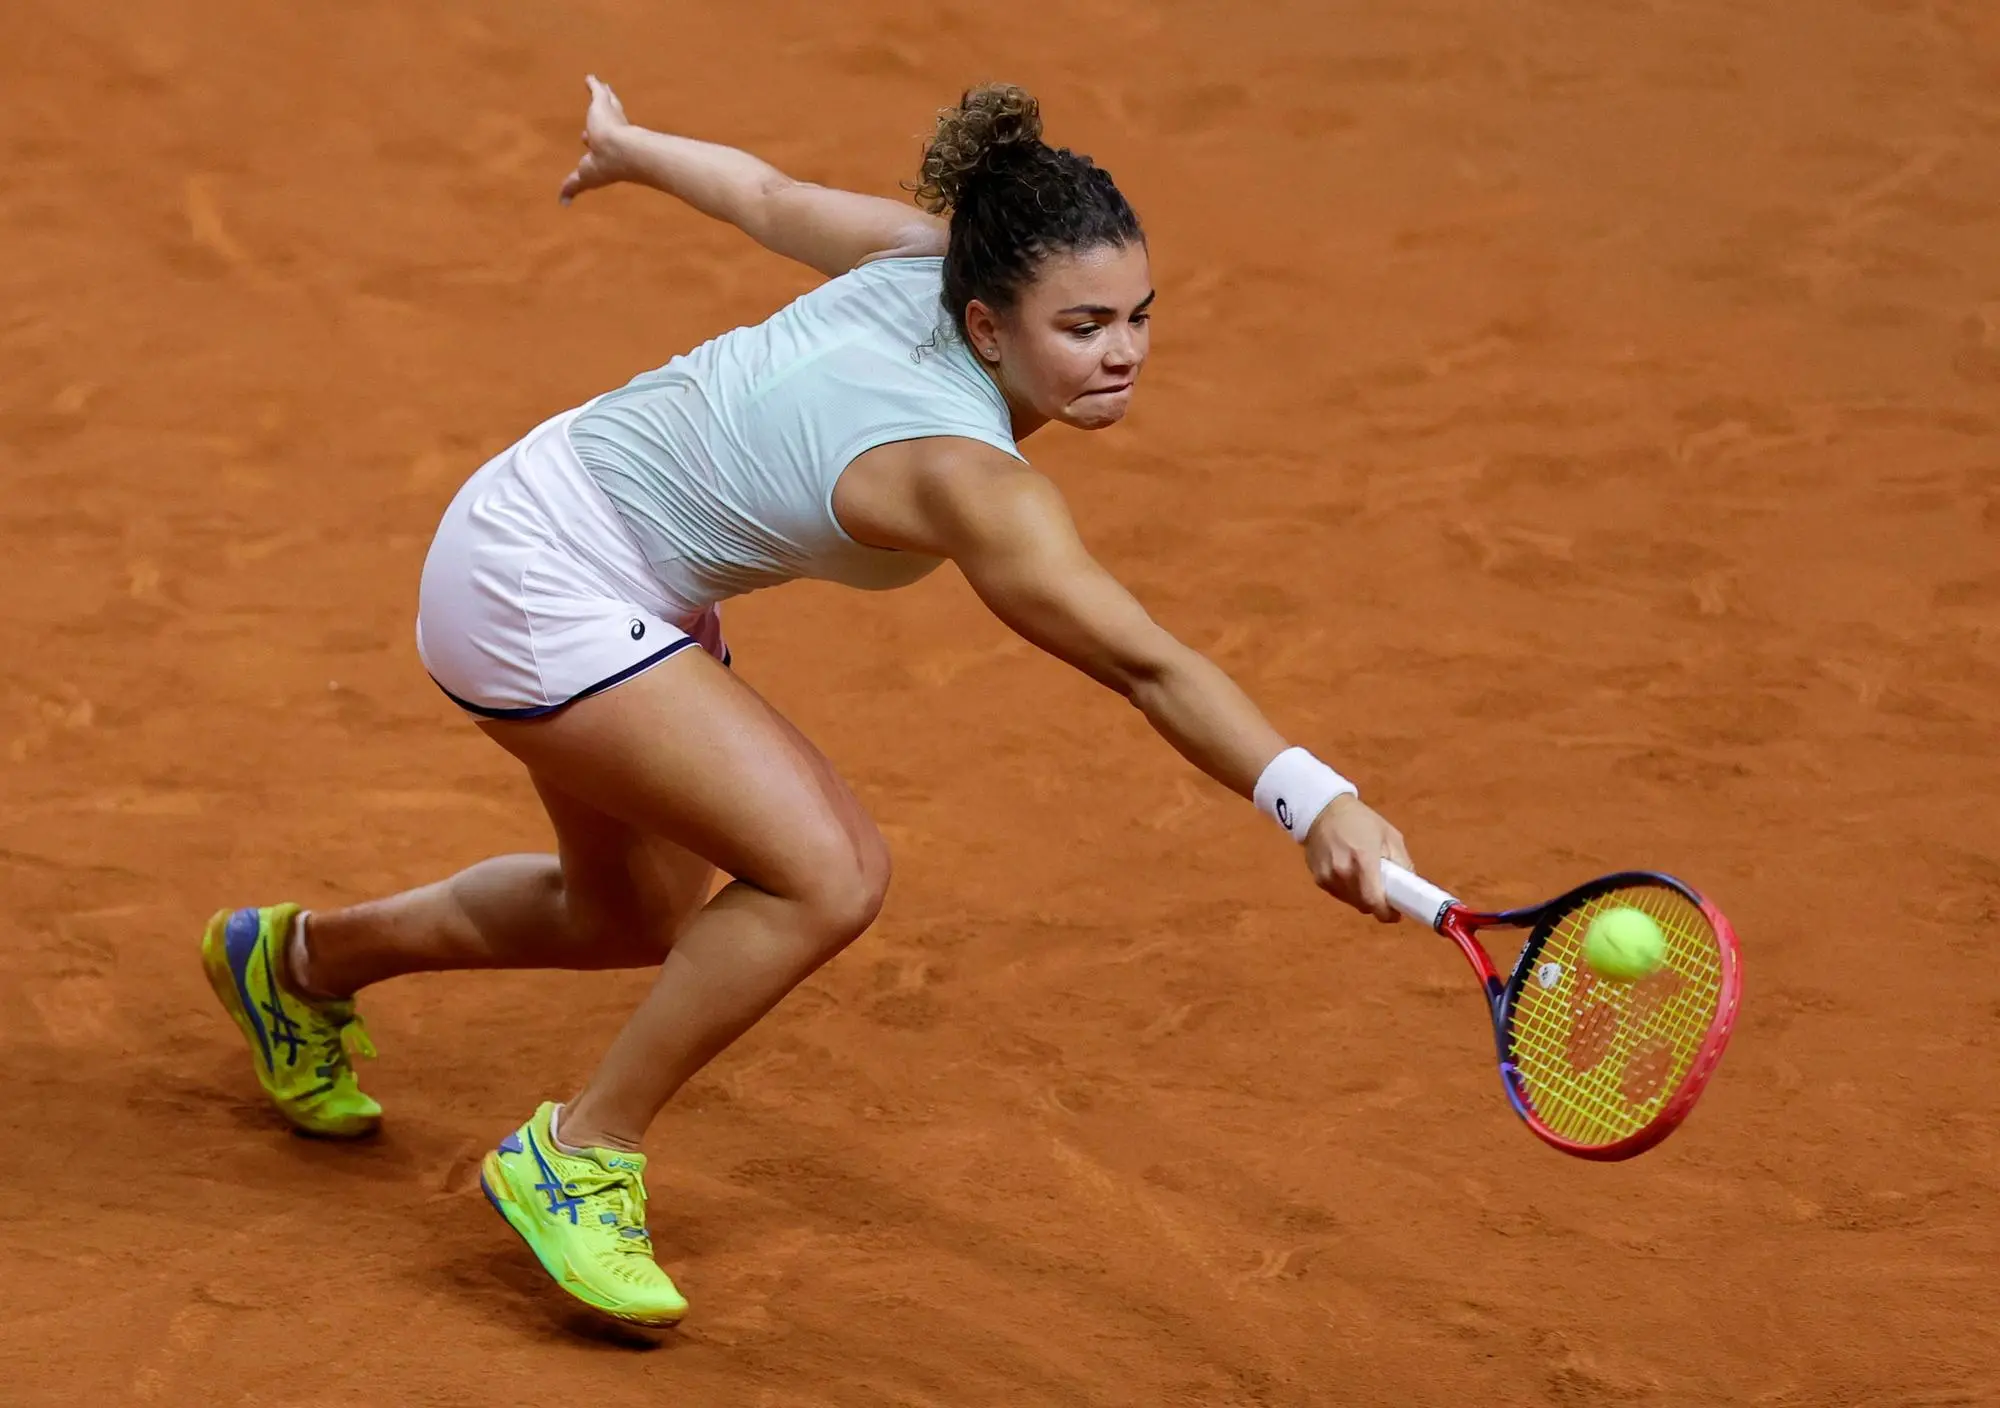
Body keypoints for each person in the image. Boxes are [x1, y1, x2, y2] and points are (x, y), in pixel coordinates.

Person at [200, 76, 1415, 1329]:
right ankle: (578, 1150)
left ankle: (292, 963)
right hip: (536, 576)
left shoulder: (930, 259)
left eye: (1138, 317)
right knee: (827, 872)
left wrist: (630, 147)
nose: (1120, 353)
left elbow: (766, 199)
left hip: (572, 528)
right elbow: (1146, 662)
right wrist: (1312, 796)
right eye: (1084, 324)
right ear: (989, 325)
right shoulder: (969, 481)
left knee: (629, 911)